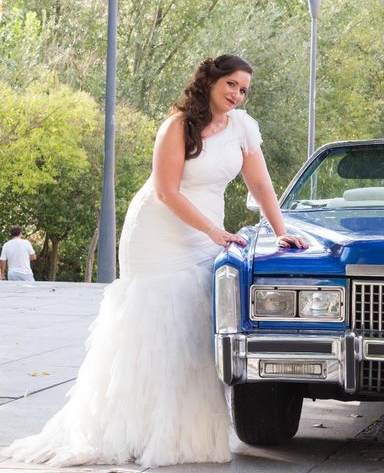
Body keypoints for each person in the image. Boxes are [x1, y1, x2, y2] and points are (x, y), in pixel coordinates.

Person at [1, 55, 307, 467]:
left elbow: (260, 183)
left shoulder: (243, 128)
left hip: (203, 235)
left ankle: (182, 433)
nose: (236, 94)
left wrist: (279, 229)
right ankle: (132, 429)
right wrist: (214, 233)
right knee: (153, 326)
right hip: (159, 233)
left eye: (244, 89)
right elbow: (166, 192)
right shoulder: (178, 125)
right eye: (231, 84)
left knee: (192, 328)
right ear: (211, 81)